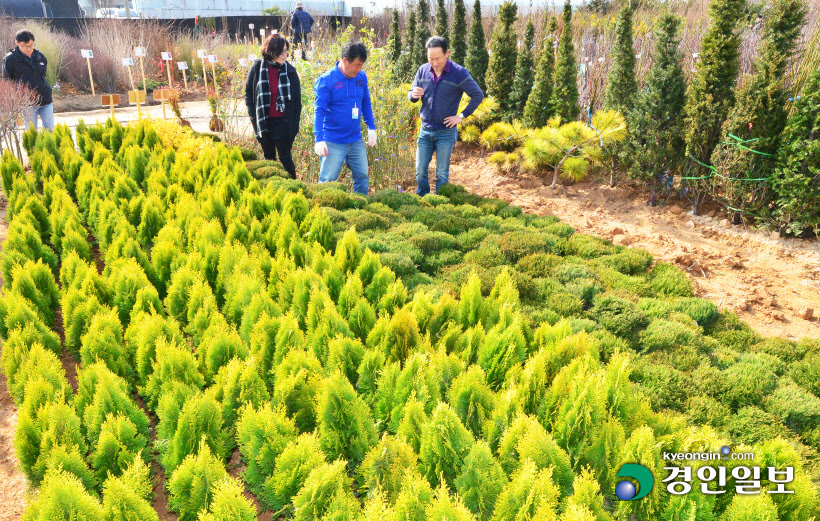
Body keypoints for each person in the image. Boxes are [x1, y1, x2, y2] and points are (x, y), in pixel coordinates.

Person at [409, 36, 484, 196]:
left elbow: (477, 94)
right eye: (431, 59)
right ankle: (422, 198)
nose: (434, 63)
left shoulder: (459, 73)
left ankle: (440, 204)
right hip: (425, 131)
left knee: (441, 173)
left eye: (438, 58)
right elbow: (412, 94)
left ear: (447, 53)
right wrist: (413, 94)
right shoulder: (422, 70)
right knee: (420, 170)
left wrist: (461, 116)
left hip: (446, 132)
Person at [313, 42, 377, 195]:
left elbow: (365, 102)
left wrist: (371, 127)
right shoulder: (327, 80)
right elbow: (319, 111)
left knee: (362, 177)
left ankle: (361, 208)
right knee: (328, 181)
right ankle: (323, 214)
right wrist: (319, 139)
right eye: (356, 65)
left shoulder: (361, 77)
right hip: (333, 141)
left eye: (361, 65)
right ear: (344, 60)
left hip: (355, 139)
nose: (359, 69)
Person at [245, 33, 302, 179]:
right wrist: (253, 119)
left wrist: (294, 126)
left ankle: (293, 189)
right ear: (271, 51)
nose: (285, 55)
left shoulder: (290, 71)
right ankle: (272, 189)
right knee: (269, 159)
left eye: (286, 51)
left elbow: (297, 101)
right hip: (264, 122)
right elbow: (249, 94)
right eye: (282, 52)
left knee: (285, 159)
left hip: (284, 123)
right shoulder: (258, 67)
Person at [2, 29, 55, 132]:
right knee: (31, 132)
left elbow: (43, 75)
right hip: (27, 103)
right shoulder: (10, 59)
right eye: (25, 46)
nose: (29, 48)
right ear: (17, 43)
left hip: (45, 99)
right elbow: (8, 81)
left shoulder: (40, 56)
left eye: (31, 45)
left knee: (50, 130)